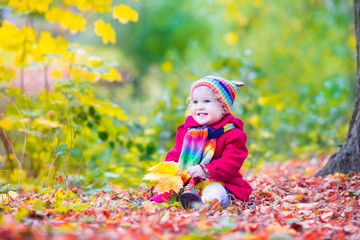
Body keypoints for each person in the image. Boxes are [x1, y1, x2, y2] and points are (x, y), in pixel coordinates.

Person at [150, 76, 252, 209]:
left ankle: (201, 204)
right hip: (188, 180)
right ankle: (159, 204)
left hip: (220, 181)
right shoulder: (187, 131)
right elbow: (175, 155)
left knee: (214, 191)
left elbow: (231, 163)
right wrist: (170, 172)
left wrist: (206, 170)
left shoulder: (233, 134)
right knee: (170, 189)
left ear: (224, 108)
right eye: (195, 102)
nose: (200, 107)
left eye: (207, 101)